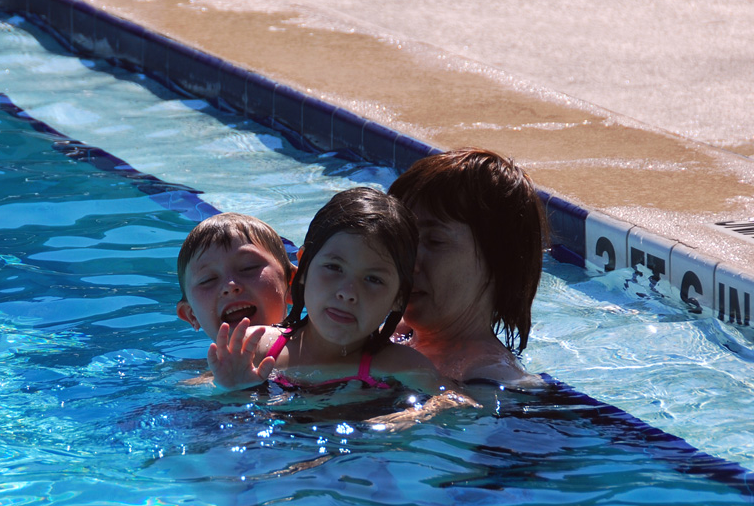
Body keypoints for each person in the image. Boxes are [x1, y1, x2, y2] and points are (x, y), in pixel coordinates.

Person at [207, 187, 449, 397]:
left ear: (398, 297)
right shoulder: (255, 348)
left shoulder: (402, 366)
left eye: (373, 279)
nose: (348, 292)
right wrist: (231, 389)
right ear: (303, 269)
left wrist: (403, 423)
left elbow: (454, 406)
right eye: (334, 267)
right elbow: (196, 395)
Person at [387, 148, 548, 386]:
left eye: (435, 241)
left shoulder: (488, 377)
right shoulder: (400, 332)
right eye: (405, 237)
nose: (409, 261)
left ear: (498, 263)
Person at [176, 212, 293, 335]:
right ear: (191, 314)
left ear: (292, 285)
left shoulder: (312, 349)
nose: (230, 286)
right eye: (208, 280)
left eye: (248, 268)